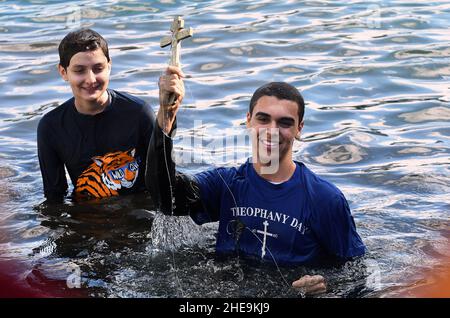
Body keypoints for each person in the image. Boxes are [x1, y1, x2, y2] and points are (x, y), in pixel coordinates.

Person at [148, 79, 366, 295]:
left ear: (299, 129)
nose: (272, 130)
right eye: (264, 119)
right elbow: (166, 199)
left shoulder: (325, 200)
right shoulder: (226, 184)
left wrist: (325, 285)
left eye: (285, 123)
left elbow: (357, 273)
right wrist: (166, 118)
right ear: (249, 120)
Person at [37, 28, 183, 203]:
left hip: (138, 211)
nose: (91, 79)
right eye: (79, 70)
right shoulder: (51, 126)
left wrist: (167, 112)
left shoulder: (138, 113)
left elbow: (163, 175)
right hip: (90, 215)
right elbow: (54, 196)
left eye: (98, 68)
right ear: (63, 72)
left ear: (109, 67)